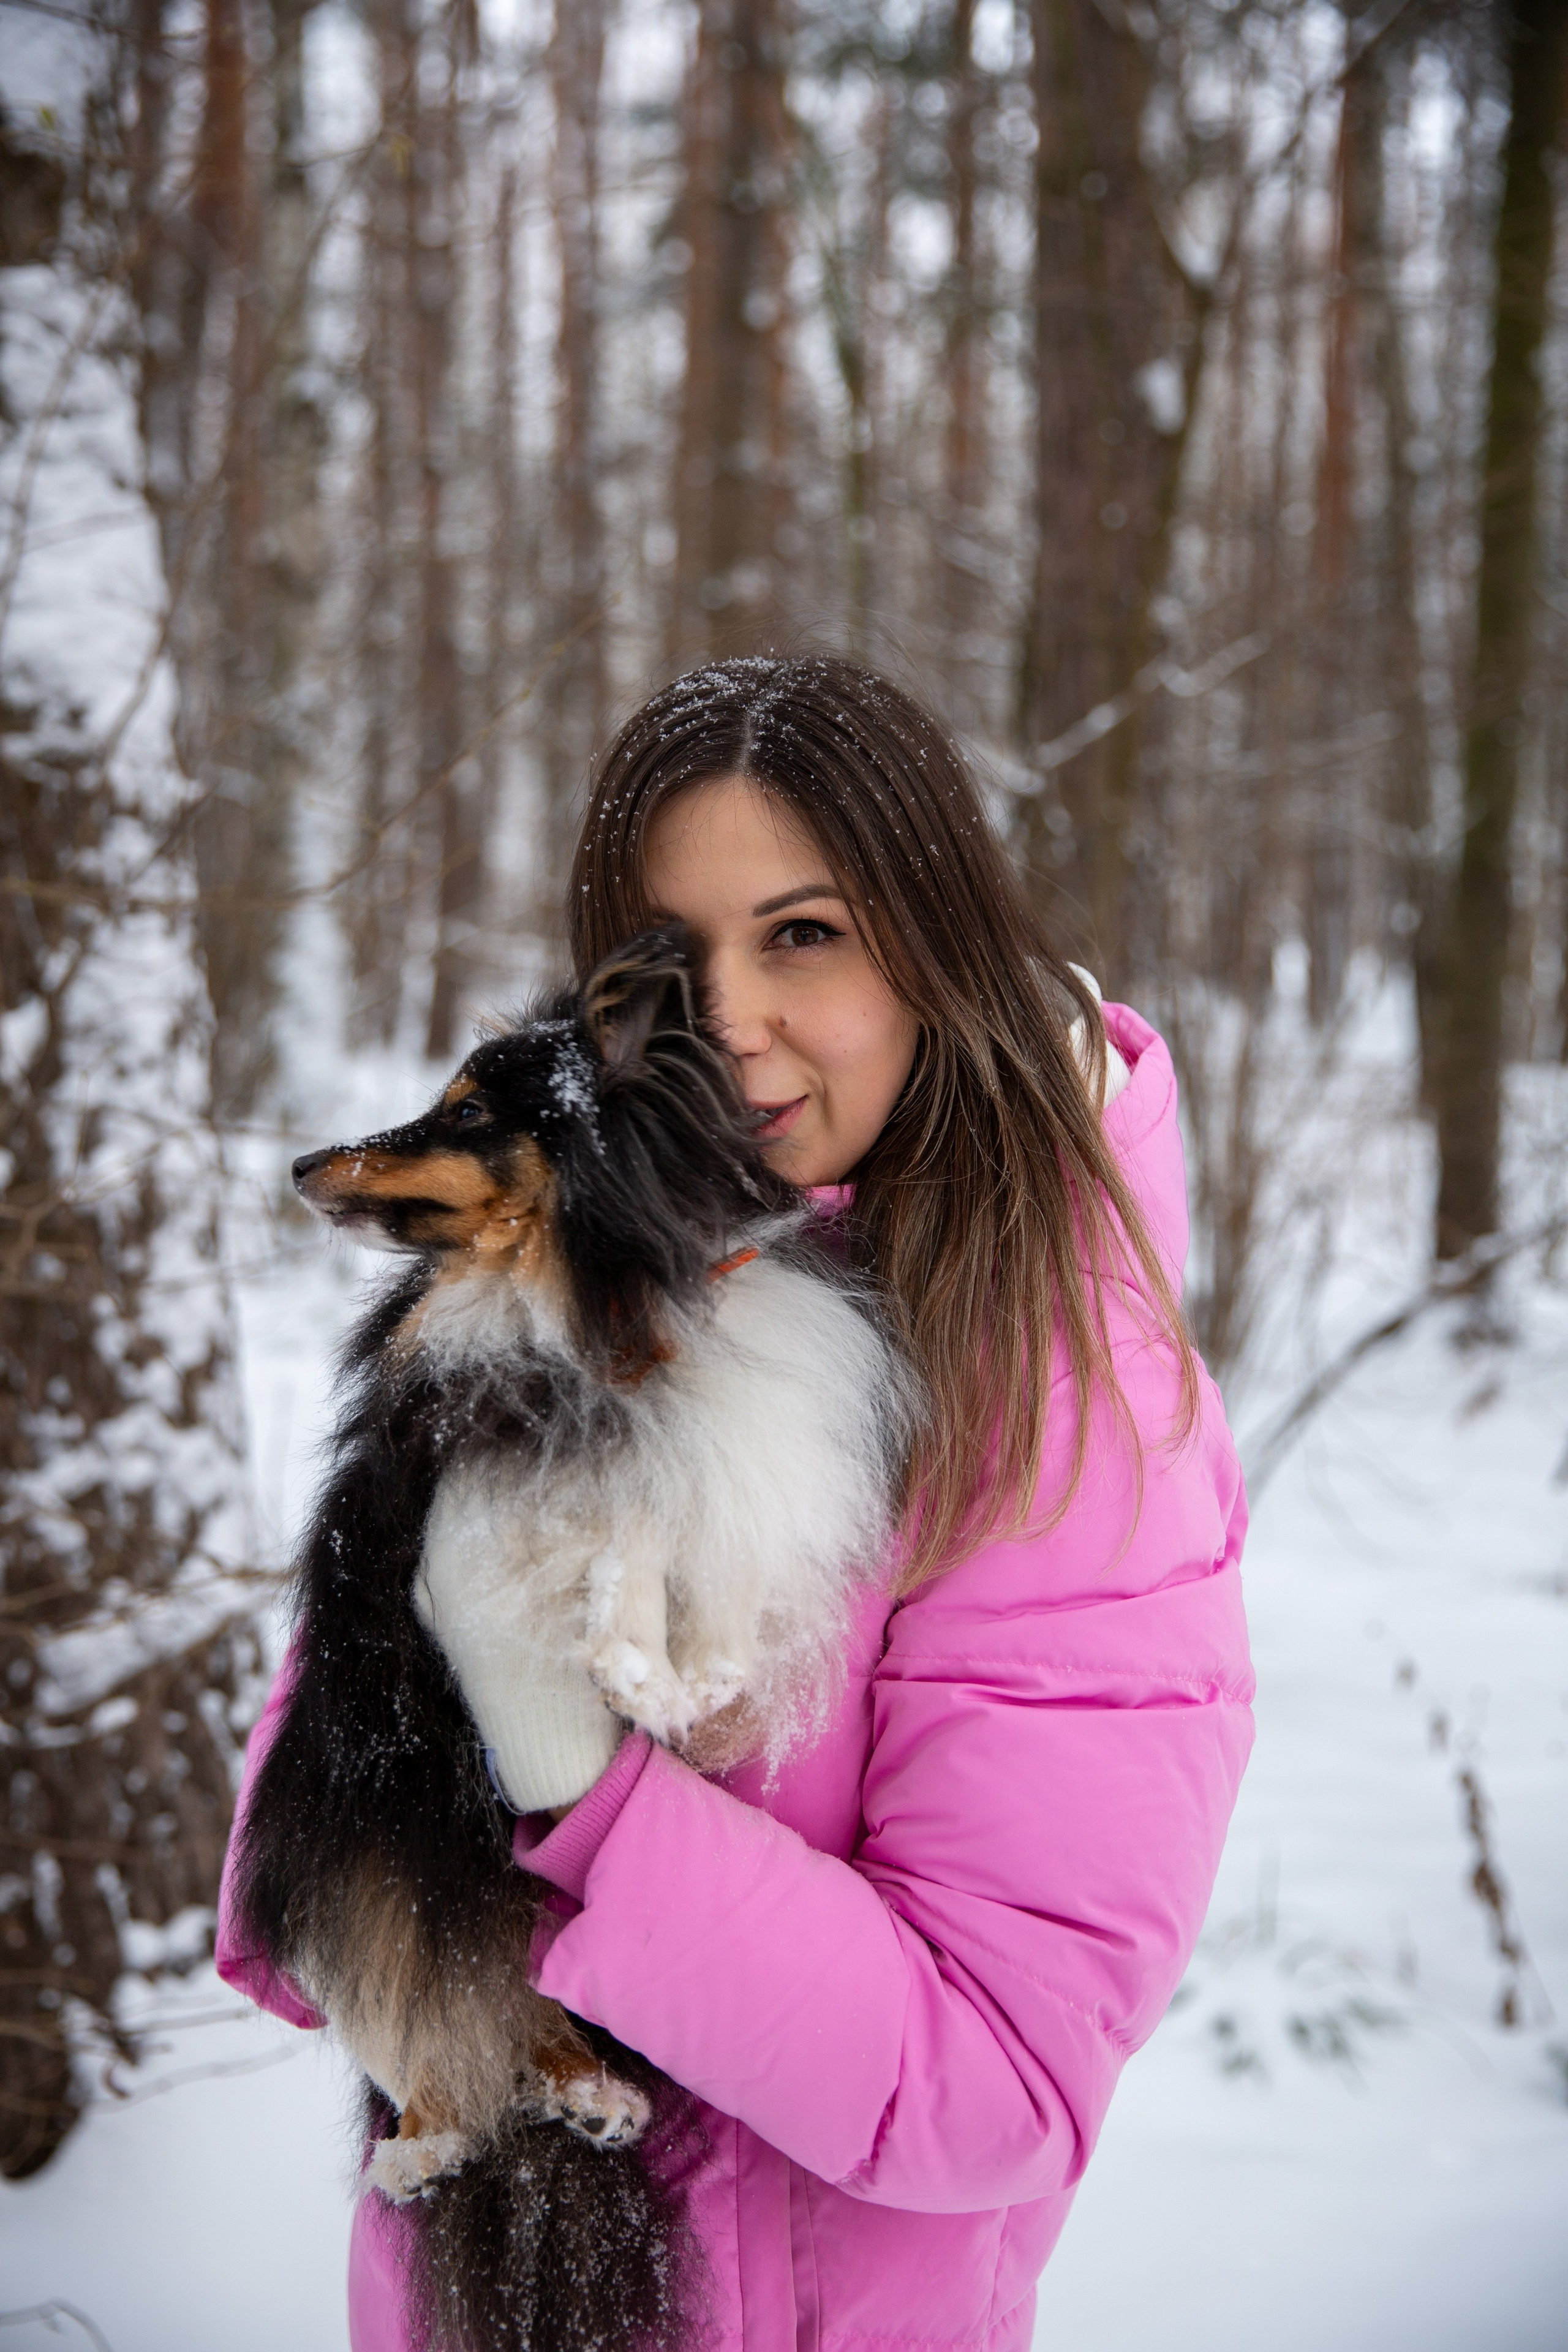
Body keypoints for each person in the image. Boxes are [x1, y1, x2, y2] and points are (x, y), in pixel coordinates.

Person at [218, 654, 1253, 2350]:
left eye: (804, 935)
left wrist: (574, 1779)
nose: (730, 1026)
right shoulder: (564, 1293)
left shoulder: (1073, 1410)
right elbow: (294, 1902)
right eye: (670, 958)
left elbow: (991, 2088)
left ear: (936, 944)